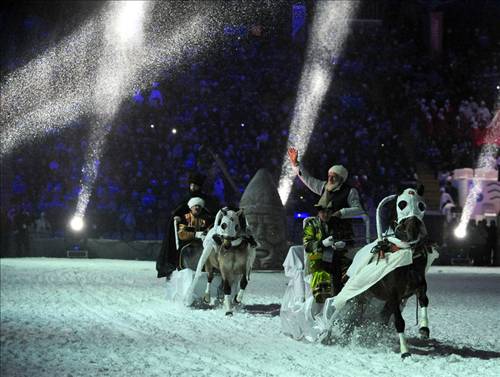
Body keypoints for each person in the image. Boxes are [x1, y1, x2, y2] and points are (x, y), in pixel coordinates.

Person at [288, 147, 364, 244]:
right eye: (329, 176)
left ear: (341, 179)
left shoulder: (350, 191)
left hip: (341, 235)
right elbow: (308, 179)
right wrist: (296, 164)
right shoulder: (324, 186)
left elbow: (359, 210)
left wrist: (341, 212)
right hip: (321, 232)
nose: (330, 179)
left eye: (334, 177)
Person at [156, 172, 219, 279]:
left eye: (195, 185)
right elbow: (178, 213)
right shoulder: (185, 199)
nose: (193, 187)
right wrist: (178, 218)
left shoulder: (206, 200)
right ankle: (175, 264)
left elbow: (212, 214)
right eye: (191, 185)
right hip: (187, 232)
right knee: (181, 247)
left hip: (203, 233)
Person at [303, 203, 348, 303]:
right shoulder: (311, 224)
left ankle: (343, 300)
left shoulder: (337, 223)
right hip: (318, 258)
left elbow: (346, 238)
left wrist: (342, 244)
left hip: (336, 257)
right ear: (318, 212)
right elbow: (307, 246)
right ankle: (322, 301)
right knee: (321, 274)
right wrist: (322, 243)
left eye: (328, 212)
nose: (326, 215)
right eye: (323, 212)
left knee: (350, 269)